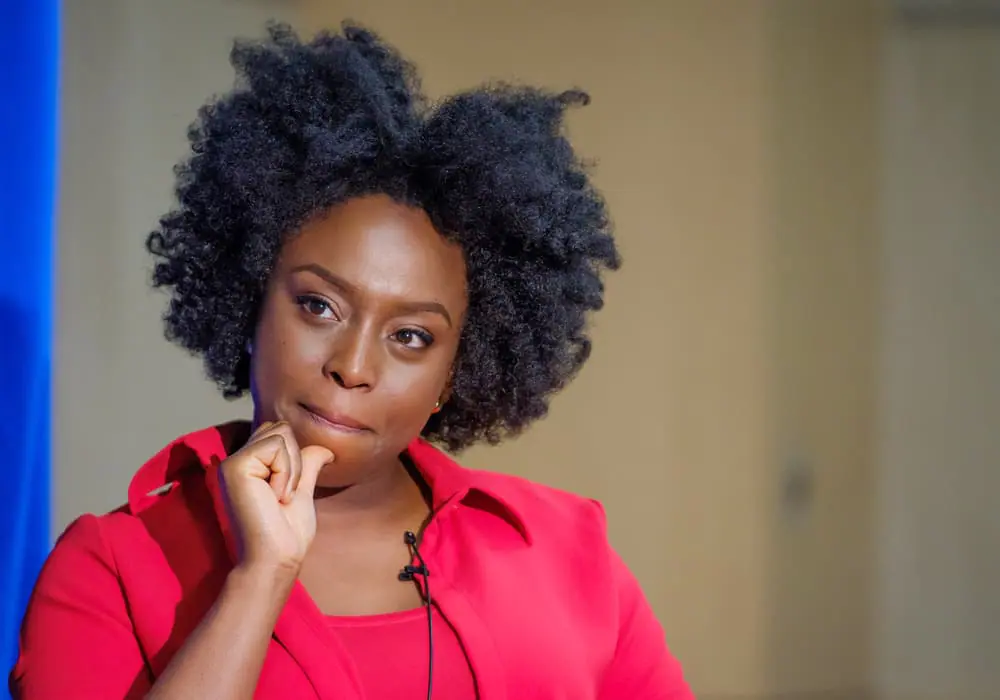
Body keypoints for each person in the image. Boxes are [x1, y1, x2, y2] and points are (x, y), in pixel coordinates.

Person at [10, 22, 693, 700]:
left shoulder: (567, 554)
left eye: (412, 337)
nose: (353, 366)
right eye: (319, 306)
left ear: (454, 372)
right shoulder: (111, 569)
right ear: (250, 301)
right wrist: (261, 578)